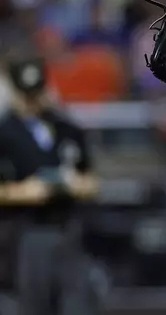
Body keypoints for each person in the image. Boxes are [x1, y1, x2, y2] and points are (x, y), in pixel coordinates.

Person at [0, 55, 104, 315]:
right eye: (27, 95)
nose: (33, 102)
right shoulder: (4, 133)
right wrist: (23, 191)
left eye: (37, 93)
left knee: (77, 303)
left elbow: (90, 180)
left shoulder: (66, 128)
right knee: (32, 304)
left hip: (69, 227)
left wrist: (74, 185)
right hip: (23, 231)